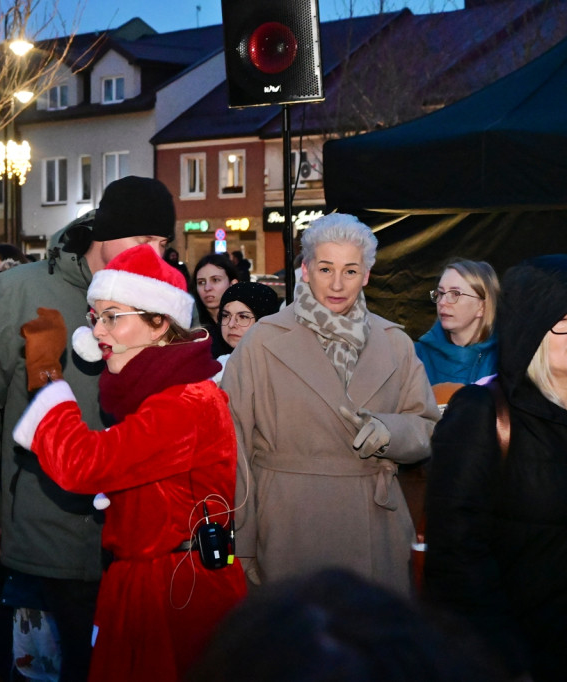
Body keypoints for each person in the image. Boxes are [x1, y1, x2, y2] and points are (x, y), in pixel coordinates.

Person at [0, 175, 176, 682]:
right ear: (105, 232)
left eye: (163, 244)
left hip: (136, 538)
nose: (155, 254)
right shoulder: (21, 290)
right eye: (143, 240)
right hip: (42, 533)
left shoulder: (162, 297)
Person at [12, 245, 246, 681]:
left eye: (113, 315)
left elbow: (84, 465)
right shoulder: (157, 393)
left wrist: (47, 375)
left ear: (159, 323)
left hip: (178, 593)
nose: (98, 330)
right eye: (95, 316)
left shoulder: (186, 402)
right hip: (152, 583)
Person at [220, 213, 439, 595]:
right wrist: (244, 540)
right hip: (288, 525)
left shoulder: (396, 343)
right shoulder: (262, 341)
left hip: (375, 526)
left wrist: (391, 432)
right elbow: (232, 446)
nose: (337, 284)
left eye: (350, 271)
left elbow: (427, 425)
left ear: (367, 275)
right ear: (305, 269)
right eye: (325, 268)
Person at [424, 254, 567, 681]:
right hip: (519, 653)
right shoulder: (483, 414)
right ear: (532, 325)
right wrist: (503, 659)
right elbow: (456, 559)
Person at [189, 568, 508, 682]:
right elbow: (241, 455)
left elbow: (421, 425)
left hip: (371, 511)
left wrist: (389, 433)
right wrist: (244, 547)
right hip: (286, 515)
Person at [415, 259, 500, 385]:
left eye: (455, 293)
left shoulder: (503, 360)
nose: (442, 302)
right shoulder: (416, 356)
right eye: (441, 293)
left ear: (482, 307)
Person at [212, 282, 279, 382]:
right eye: (226, 315)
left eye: (243, 317)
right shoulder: (219, 365)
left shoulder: (277, 370)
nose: (231, 324)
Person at [192, 254, 239, 357]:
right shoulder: (190, 325)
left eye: (215, 280)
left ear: (232, 284)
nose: (207, 288)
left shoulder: (246, 322)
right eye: (201, 282)